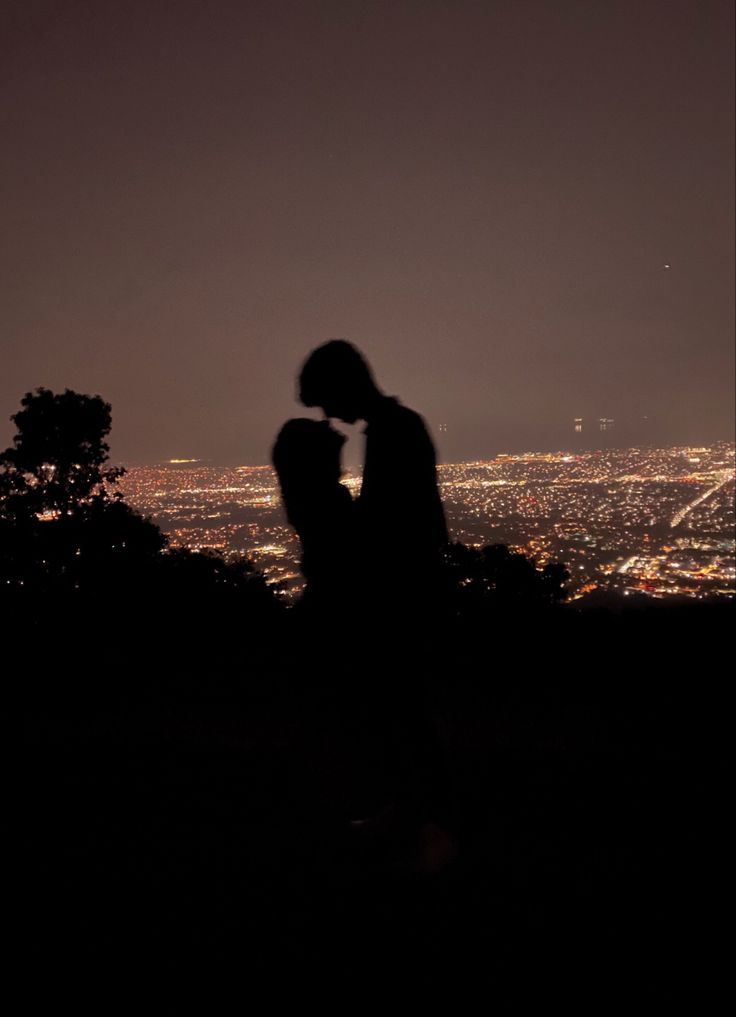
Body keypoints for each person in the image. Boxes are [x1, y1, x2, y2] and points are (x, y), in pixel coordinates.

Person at [298, 339, 448, 623]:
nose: (328, 414)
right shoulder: (398, 425)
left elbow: (383, 524)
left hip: (404, 595)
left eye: (326, 400)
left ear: (343, 386)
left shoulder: (392, 431)